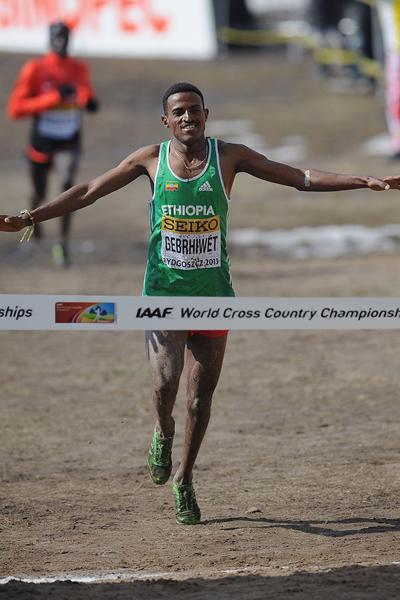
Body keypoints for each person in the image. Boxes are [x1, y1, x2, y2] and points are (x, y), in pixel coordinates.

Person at [1, 81, 400, 525]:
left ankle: (184, 480)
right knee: (164, 384)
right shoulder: (149, 160)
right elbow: (90, 190)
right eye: (179, 112)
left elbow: (300, 178)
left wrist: (363, 181)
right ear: (166, 121)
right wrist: (31, 217)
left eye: (195, 110)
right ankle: (162, 431)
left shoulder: (229, 157)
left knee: (198, 401)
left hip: (214, 298)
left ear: (206, 115)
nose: (188, 118)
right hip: (162, 296)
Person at [6, 20, 99, 266]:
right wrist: (51, 99)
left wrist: (87, 100)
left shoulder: (78, 68)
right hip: (42, 140)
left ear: (70, 40)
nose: (61, 42)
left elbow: (84, 92)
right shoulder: (35, 69)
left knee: (68, 184)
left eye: (65, 37)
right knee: (39, 192)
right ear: (49, 39)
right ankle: (34, 224)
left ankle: (62, 243)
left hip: (69, 140)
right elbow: (15, 109)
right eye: (56, 37)